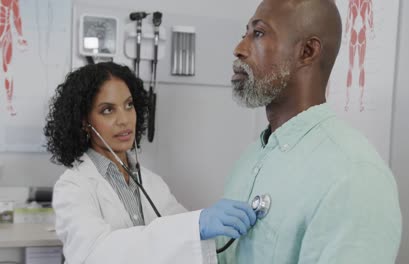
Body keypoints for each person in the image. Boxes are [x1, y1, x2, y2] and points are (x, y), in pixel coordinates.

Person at [217, 0, 401, 263]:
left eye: (258, 33)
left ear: (307, 51)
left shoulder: (354, 175)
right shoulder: (252, 158)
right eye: (244, 34)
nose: (239, 49)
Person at [44, 62, 256, 264]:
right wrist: (195, 225)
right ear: (84, 122)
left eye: (129, 105)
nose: (124, 120)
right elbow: (96, 254)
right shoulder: (73, 187)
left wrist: (213, 227)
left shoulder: (152, 182)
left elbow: (184, 235)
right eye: (107, 110)